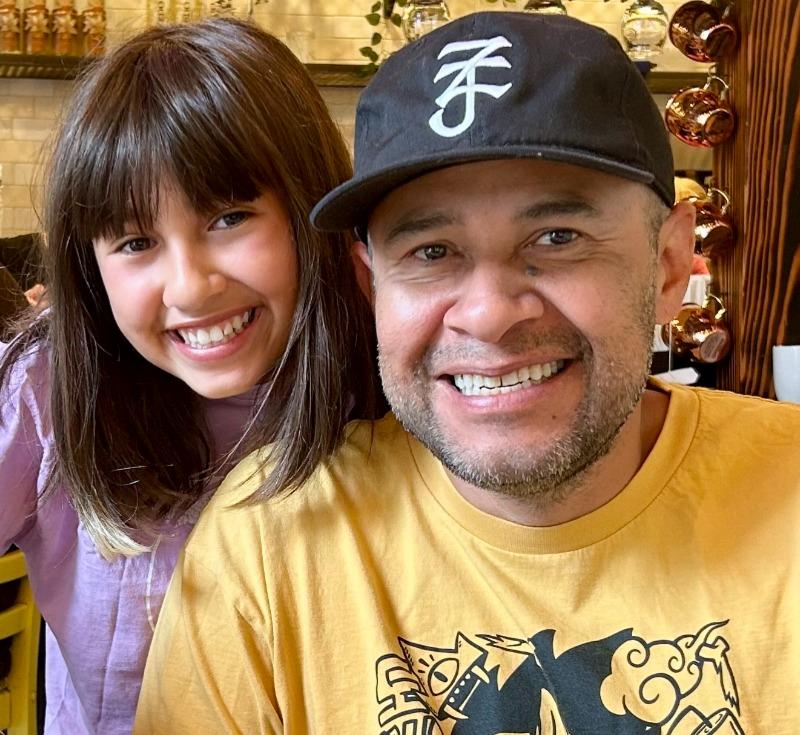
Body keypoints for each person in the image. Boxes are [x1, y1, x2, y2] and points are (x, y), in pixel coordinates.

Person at [136, 12, 800, 734]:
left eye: (557, 237)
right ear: (371, 286)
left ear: (668, 266)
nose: (487, 315)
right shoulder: (267, 549)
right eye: (431, 252)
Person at [0, 17, 382, 735]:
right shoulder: (44, 392)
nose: (190, 287)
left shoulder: (395, 379)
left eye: (230, 218)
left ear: (311, 213)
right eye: (136, 241)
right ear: (90, 266)